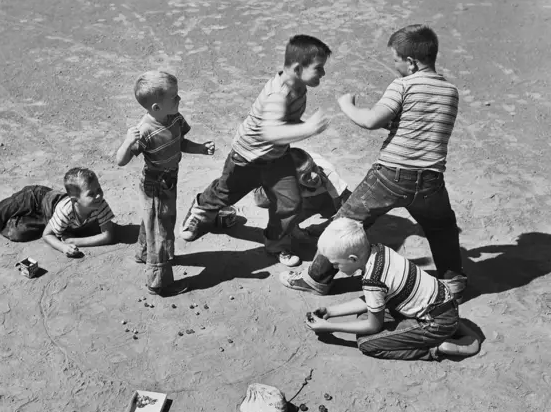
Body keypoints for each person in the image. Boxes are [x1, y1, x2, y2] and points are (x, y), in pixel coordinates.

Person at [281, 24, 468, 301]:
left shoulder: (403, 85)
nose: (395, 66)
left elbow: (371, 121)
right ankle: (453, 281)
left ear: (411, 62)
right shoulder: (450, 91)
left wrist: (348, 106)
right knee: (442, 228)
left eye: (396, 60)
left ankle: (317, 278)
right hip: (431, 179)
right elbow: (412, 126)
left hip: (391, 174)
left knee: (346, 222)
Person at [179, 35, 332, 267]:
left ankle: (277, 243)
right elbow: (270, 132)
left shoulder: (299, 87)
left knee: (290, 203)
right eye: (319, 69)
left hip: (276, 158)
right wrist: (308, 128)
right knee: (225, 193)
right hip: (247, 157)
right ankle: (201, 210)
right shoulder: (277, 94)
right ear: (298, 68)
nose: (323, 74)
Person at [305, 219, 480, 361]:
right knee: (365, 316)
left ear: (352, 259)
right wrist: (330, 311)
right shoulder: (380, 251)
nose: (335, 267)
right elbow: (371, 299)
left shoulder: (373, 280)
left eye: (336, 263)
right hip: (443, 304)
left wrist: (329, 327)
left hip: (435, 323)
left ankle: (435, 349)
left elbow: (373, 326)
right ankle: (452, 325)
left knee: (366, 343)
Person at [115, 70, 215, 297]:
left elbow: (181, 142)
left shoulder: (175, 119)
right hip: (154, 186)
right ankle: (158, 282)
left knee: (159, 220)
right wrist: (127, 141)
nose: (180, 99)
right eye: (175, 97)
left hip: (170, 180)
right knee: (159, 229)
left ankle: (143, 252)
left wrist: (200, 148)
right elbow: (121, 161)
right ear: (156, 108)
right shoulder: (144, 132)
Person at [0, 167, 116, 257]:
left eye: (99, 189)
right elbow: (48, 236)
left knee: (15, 234)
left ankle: (10, 221)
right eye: (92, 194)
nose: (99, 196)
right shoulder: (67, 209)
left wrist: (76, 241)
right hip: (33, 198)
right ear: (76, 200)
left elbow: (109, 235)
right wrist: (64, 246)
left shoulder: (100, 205)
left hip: (45, 216)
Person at [252, 147, 350, 241]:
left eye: (314, 168)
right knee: (266, 204)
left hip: (313, 192)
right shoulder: (284, 184)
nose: (315, 176)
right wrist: (293, 229)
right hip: (283, 186)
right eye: (306, 176)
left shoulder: (327, 171)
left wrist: (326, 228)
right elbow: (278, 213)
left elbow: (343, 210)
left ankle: (315, 202)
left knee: (347, 207)